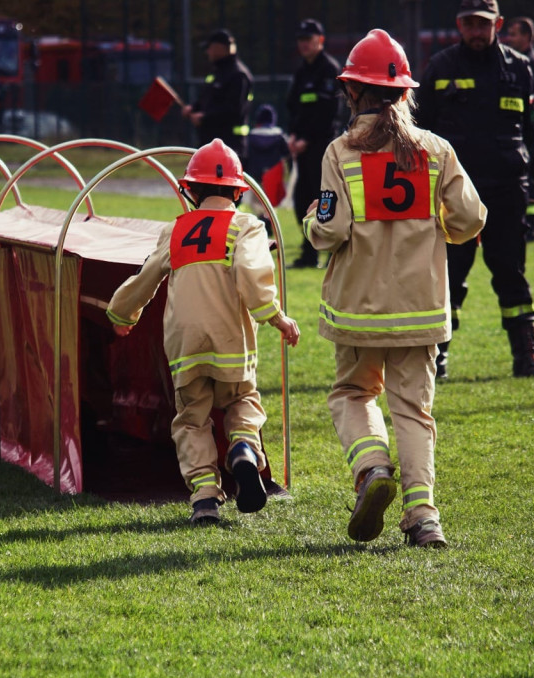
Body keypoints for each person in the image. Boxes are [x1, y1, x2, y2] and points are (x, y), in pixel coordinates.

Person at [303, 30, 486, 547]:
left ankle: (371, 469)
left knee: (353, 393)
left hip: (357, 309)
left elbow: (331, 231)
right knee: (414, 410)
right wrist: (438, 234)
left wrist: (309, 225)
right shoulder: (436, 150)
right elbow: (470, 218)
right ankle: (423, 516)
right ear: (405, 93)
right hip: (421, 309)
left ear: (350, 92)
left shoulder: (340, 152)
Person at [106, 139, 300, 526]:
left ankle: (205, 496)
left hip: (185, 345)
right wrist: (273, 315)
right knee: (243, 399)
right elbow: (251, 274)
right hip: (231, 341)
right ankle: (243, 448)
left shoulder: (175, 230)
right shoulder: (246, 225)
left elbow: (146, 278)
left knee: (192, 418)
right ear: (237, 190)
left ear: (190, 190)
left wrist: (122, 314)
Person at [415, 0, 534, 379]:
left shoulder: (520, 68)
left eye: (484, 24)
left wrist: (530, 185)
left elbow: (532, 134)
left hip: (507, 188)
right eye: (469, 24)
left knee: (511, 271)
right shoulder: (440, 67)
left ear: (499, 23)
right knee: (449, 275)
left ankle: (526, 356)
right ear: (459, 24)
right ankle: (437, 357)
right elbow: (420, 129)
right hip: (455, 193)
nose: (476, 31)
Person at [285, 18, 342, 268]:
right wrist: (294, 137)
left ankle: (332, 249)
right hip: (301, 147)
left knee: (324, 199)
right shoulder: (301, 71)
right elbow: (293, 107)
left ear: (320, 41)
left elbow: (330, 112)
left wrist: (306, 139)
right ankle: (309, 252)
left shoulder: (329, 69)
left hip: (322, 147)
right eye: (301, 40)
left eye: (308, 40)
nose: (304, 44)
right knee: (301, 200)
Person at [503, 16, 534, 242]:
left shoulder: (531, 64)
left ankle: (530, 228)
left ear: (527, 37)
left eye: (514, 34)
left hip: (527, 131)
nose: (509, 39)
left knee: (528, 179)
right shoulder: (522, 61)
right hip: (523, 129)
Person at [182, 29, 254, 162]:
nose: (207, 52)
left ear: (220, 47)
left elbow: (234, 110)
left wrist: (205, 117)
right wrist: (193, 108)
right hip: (210, 144)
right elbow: (207, 98)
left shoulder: (238, 75)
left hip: (230, 147)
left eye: (209, 48)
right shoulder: (217, 72)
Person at [243, 103, 290, 234]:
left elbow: (246, 155)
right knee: (270, 200)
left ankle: (260, 218)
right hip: (273, 172)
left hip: (255, 173)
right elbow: (286, 153)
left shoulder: (251, 135)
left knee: (256, 199)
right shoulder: (279, 135)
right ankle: (269, 218)